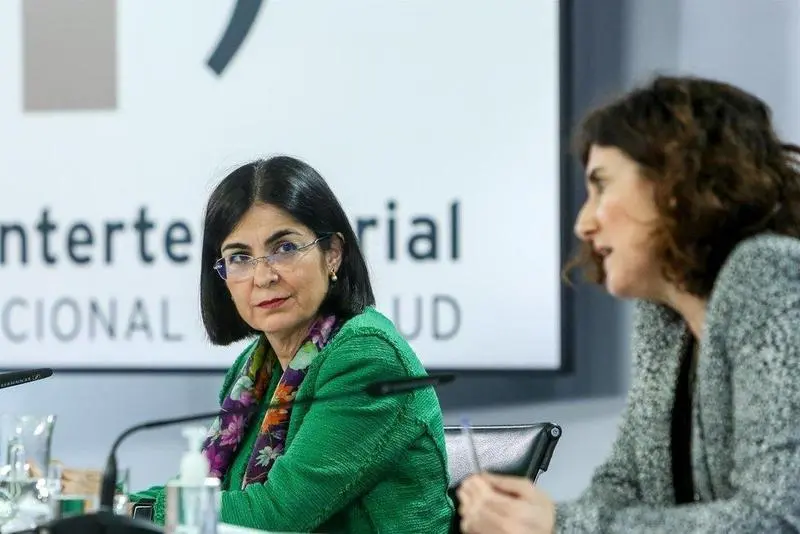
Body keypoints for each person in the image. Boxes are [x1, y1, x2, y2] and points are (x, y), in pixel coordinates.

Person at [457, 75, 800, 533]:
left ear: (676, 182)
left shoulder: (770, 273)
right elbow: (623, 485)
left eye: (601, 186)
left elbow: (777, 519)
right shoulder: (665, 319)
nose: (583, 224)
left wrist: (561, 527)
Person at [130, 155, 454, 533]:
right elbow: (215, 494)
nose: (263, 276)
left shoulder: (367, 356)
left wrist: (142, 513)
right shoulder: (255, 369)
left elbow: (279, 515)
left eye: (284, 248)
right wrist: (105, 497)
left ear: (332, 253)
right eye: (239, 258)